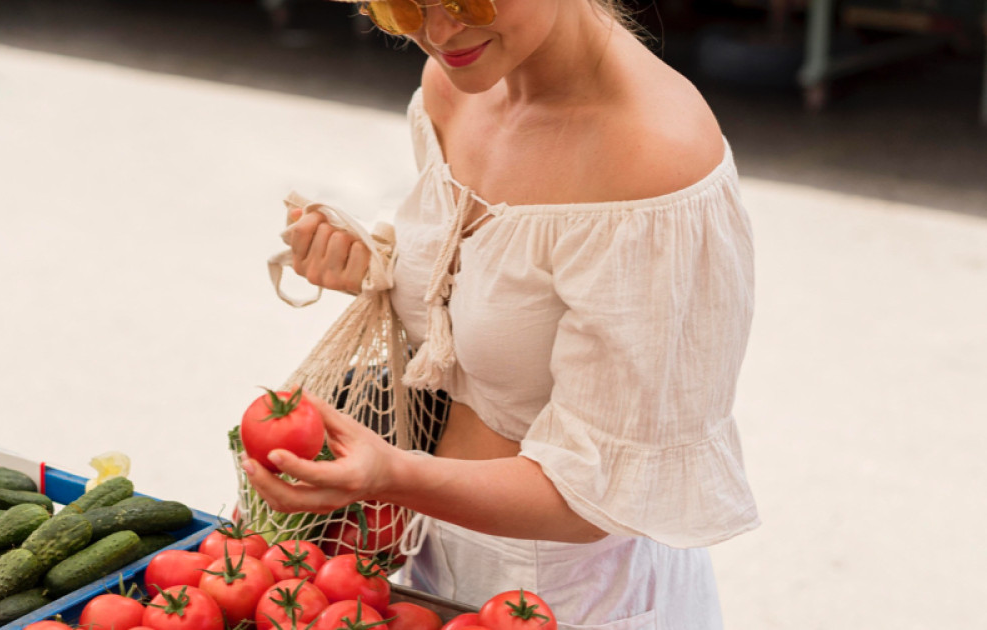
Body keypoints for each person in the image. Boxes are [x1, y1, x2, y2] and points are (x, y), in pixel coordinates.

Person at [241, 1, 760, 628]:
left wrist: (389, 474)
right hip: (428, 552)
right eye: (401, 6)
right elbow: (494, 306)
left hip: (577, 593)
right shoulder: (457, 87)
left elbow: (597, 498)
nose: (436, 33)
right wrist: (379, 268)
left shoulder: (653, 162)